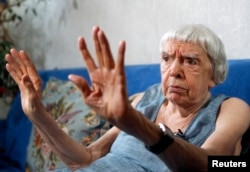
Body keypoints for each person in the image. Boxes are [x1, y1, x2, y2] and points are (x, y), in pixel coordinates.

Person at [5, 24, 250, 171]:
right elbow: (85, 159)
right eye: (166, 59)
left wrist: (138, 124)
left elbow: (212, 165)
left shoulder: (229, 108)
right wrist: (37, 113)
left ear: (214, 75)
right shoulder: (142, 100)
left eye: (190, 61)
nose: (174, 70)